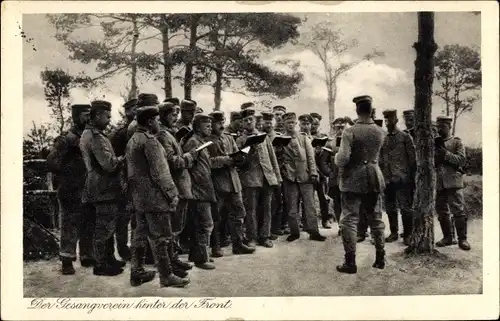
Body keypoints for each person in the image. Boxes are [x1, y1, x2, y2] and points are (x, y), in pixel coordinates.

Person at [126, 101, 190, 288]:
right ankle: (166, 275)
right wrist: (172, 194)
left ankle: (136, 272)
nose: (158, 123)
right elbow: (161, 173)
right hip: (155, 198)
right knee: (162, 237)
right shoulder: (150, 142)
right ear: (150, 121)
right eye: (155, 120)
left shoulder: (133, 140)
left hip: (140, 198)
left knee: (140, 235)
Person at [334, 95, 386, 274]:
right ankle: (380, 258)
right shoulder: (380, 131)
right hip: (374, 177)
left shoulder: (350, 132)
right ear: (371, 110)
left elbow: (342, 159)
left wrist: (335, 157)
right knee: (376, 218)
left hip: (353, 179)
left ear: (357, 110)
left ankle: (350, 263)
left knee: (349, 219)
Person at [47, 104, 95, 275]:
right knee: (70, 224)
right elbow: (52, 161)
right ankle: (67, 260)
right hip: (70, 188)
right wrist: (69, 173)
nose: (88, 118)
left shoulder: (90, 136)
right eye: (85, 115)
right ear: (75, 117)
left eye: (90, 115)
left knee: (89, 221)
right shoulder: (66, 138)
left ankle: (87, 255)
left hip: (88, 187)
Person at [80, 100, 126, 276]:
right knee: (104, 227)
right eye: (107, 116)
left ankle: (109, 259)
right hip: (103, 188)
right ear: (97, 115)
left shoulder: (89, 134)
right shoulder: (96, 137)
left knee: (107, 225)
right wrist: (124, 158)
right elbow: (109, 165)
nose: (109, 120)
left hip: (98, 186)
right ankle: (101, 264)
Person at [156, 101, 197, 275]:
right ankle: (171, 263)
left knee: (176, 227)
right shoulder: (164, 135)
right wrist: (189, 156)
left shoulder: (169, 134)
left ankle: (173, 260)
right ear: (164, 116)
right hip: (175, 186)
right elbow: (172, 162)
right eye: (173, 114)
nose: (176, 117)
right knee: (172, 228)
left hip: (180, 185)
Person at [207, 111, 256, 255]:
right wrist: (223, 160)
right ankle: (215, 246)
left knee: (238, 214)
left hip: (234, 182)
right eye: (218, 123)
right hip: (218, 183)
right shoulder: (206, 140)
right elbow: (205, 162)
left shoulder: (228, 138)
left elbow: (236, 154)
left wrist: (240, 157)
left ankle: (238, 244)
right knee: (216, 216)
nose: (221, 125)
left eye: (223, 122)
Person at [236, 109, 282, 248]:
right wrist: (249, 150)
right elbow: (239, 162)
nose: (249, 122)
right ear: (242, 123)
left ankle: (265, 236)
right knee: (251, 209)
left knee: (267, 208)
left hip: (267, 178)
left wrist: (277, 176)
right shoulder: (240, 140)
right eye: (245, 120)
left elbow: (272, 158)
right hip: (250, 179)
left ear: (256, 121)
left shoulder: (264, 137)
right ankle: (252, 237)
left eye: (251, 119)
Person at [280, 112, 326, 242]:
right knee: (292, 206)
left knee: (310, 205)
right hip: (290, 177)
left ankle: (314, 232)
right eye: (287, 122)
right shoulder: (280, 140)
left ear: (296, 124)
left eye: (292, 122)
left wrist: (313, 173)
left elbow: (311, 157)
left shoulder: (304, 138)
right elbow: (279, 159)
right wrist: (284, 171)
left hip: (305, 176)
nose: (290, 125)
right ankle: (294, 232)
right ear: (284, 124)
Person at [183, 113, 217, 269]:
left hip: (204, 189)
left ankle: (199, 255)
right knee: (205, 224)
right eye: (206, 125)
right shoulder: (193, 142)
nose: (210, 127)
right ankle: (201, 259)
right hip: (199, 190)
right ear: (197, 127)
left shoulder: (201, 142)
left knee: (201, 224)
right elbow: (188, 166)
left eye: (210, 124)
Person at [379, 109, 416, 245]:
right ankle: (394, 233)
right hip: (387, 179)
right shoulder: (383, 138)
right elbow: (380, 159)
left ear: (396, 120)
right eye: (386, 119)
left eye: (390, 118)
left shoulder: (405, 137)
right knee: (390, 207)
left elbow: (412, 159)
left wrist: (408, 177)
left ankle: (408, 235)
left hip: (402, 179)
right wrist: (383, 176)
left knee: (406, 208)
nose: (388, 121)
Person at [434, 116, 470, 251]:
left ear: (449, 126)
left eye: (442, 127)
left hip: (453, 182)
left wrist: (446, 154)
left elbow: (461, 160)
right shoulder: (435, 143)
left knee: (458, 211)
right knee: (441, 211)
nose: (439, 129)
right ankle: (448, 237)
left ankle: (462, 239)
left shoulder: (456, 142)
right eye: (438, 127)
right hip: (439, 183)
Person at [108, 98, 138, 262]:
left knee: (133, 216)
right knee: (122, 217)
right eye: (134, 109)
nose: (136, 112)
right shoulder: (120, 134)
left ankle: (132, 248)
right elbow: (114, 159)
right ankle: (122, 249)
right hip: (123, 178)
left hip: (135, 178)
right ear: (127, 112)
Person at [319, 117, 348, 236]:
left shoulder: (351, 141)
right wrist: (329, 173)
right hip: (335, 179)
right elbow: (323, 162)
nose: (340, 130)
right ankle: (341, 226)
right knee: (337, 203)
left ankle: (352, 227)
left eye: (342, 127)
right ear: (334, 128)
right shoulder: (330, 143)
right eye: (338, 128)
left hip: (349, 178)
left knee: (350, 203)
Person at [261, 111, 285, 239]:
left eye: (270, 122)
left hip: (276, 172)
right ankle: (267, 230)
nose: (268, 124)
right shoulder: (260, 137)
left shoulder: (278, 136)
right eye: (266, 122)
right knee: (267, 204)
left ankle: (275, 227)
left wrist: (280, 149)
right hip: (263, 174)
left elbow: (280, 158)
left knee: (278, 201)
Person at [310, 112, 332, 229]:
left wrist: (321, 152)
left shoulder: (323, 137)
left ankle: (325, 219)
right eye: (312, 124)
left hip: (321, 173)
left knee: (323, 197)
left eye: (316, 124)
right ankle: (306, 221)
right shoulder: (305, 136)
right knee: (307, 198)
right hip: (309, 172)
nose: (314, 126)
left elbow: (327, 156)